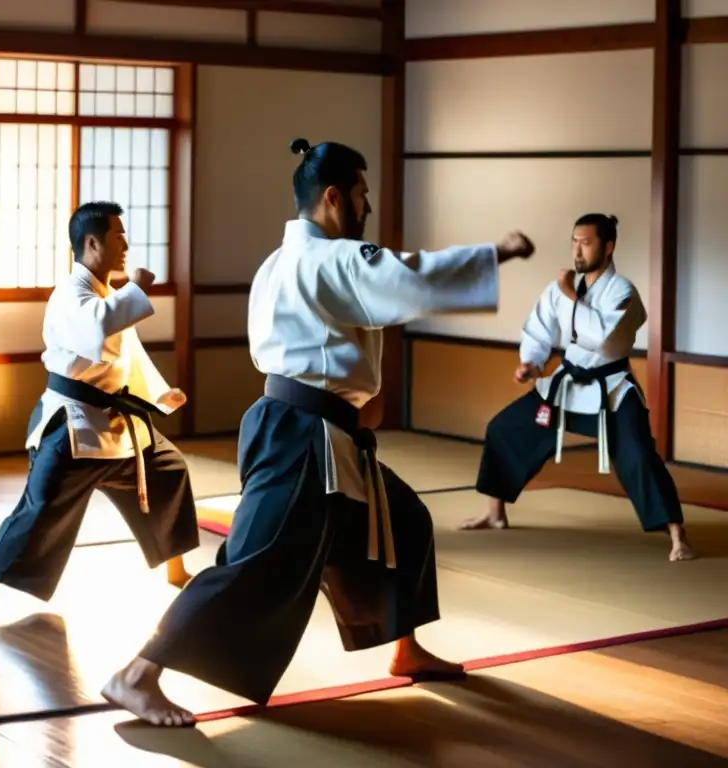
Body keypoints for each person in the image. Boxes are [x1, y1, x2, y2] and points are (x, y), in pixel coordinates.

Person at [99, 138, 537, 727]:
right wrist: (495, 255)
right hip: (303, 435)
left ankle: (405, 648)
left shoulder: (282, 262)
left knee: (403, 521)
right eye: (361, 196)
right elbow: (409, 276)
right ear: (334, 198)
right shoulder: (330, 258)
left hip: (319, 431)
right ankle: (136, 674)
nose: (366, 209)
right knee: (254, 561)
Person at [0, 201, 199, 628]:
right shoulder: (72, 293)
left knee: (168, 470)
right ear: (92, 243)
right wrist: (136, 290)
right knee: (39, 508)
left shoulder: (105, 293)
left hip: (117, 424)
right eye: (118, 236)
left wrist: (160, 394)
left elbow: (127, 354)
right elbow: (96, 332)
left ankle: (176, 570)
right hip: (73, 423)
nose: (125, 244)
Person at [461, 214, 695, 562]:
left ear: (608, 247)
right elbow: (540, 327)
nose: (577, 249)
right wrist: (532, 363)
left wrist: (570, 294)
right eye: (574, 241)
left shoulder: (623, 292)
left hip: (611, 388)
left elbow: (603, 340)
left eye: (586, 242)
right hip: (567, 384)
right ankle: (495, 512)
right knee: (504, 429)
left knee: (638, 455)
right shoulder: (561, 289)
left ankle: (677, 534)